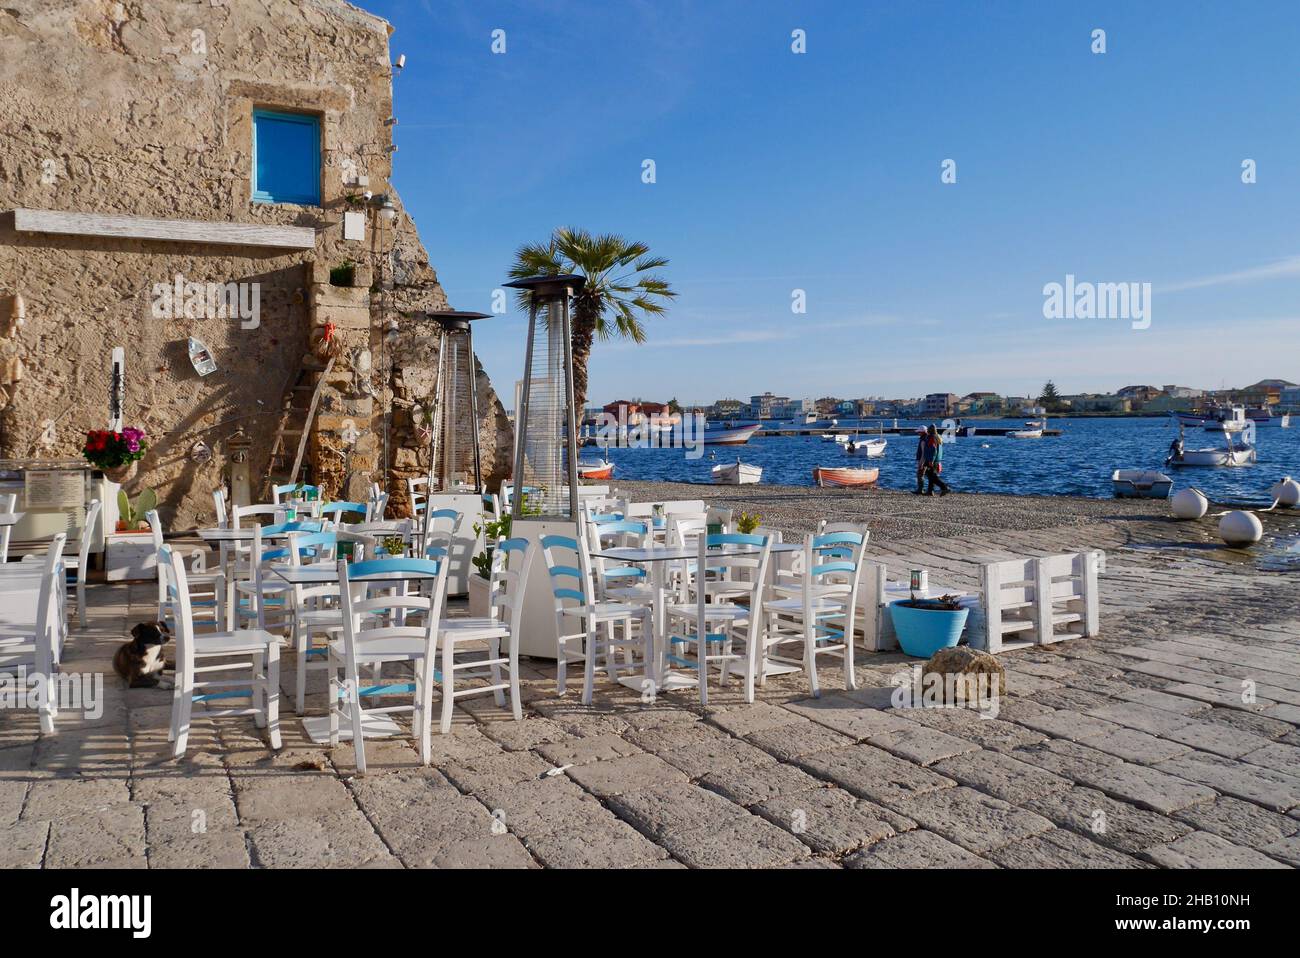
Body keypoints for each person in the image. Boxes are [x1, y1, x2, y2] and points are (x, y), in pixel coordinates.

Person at [918, 424, 950, 496]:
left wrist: (931, 460)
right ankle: (930, 491)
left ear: (929, 430)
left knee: (932, 476)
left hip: (931, 460)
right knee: (931, 476)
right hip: (937, 460)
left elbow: (933, 450)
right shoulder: (938, 437)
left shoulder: (931, 438)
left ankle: (944, 487)